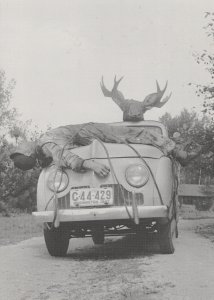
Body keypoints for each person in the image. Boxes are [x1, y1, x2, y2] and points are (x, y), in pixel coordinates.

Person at [10, 122, 201, 176]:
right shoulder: (43, 143)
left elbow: (65, 156)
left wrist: (89, 165)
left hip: (88, 132)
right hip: (85, 137)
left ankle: (177, 152)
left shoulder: (46, 144)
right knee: (129, 136)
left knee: (131, 134)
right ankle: (176, 150)